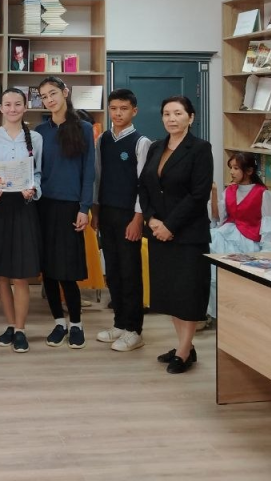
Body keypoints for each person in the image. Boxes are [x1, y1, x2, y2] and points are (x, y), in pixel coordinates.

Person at [139, 95, 213, 374]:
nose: (172, 118)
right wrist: (151, 220)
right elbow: (144, 186)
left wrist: (170, 226)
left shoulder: (200, 149)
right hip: (158, 232)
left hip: (187, 235)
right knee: (170, 293)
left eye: (178, 113)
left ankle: (183, 351)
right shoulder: (156, 147)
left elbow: (199, 195)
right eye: (167, 113)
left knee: (187, 294)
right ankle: (185, 345)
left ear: (190, 117)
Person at [34, 76, 96, 350]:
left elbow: (89, 172)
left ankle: (76, 324)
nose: (49, 100)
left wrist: (84, 207)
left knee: (67, 270)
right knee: (48, 268)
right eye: (44, 96)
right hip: (43, 205)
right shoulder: (39, 131)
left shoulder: (84, 128)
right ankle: (59, 322)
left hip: (71, 207)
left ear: (65, 92)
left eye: (53, 93)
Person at [93, 89, 151, 353]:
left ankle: (134, 330)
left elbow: (143, 185)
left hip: (129, 216)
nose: (118, 113)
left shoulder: (141, 142)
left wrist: (138, 218)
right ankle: (119, 323)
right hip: (107, 213)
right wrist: (96, 211)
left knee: (130, 272)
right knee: (113, 271)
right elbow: (98, 177)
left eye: (124, 108)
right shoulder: (103, 139)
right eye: (114, 108)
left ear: (134, 111)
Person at [0, 87, 43, 354]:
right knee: (1, 274)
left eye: (17, 104)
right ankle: (9, 325)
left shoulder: (36, 138)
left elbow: (38, 173)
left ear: (25, 107)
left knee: (20, 275)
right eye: (7, 104)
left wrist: (33, 189)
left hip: (24, 207)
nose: (12, 109)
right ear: (1, 108)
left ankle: (21, 329)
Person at [206, 152, 271, 319]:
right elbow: (217, 217)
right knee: (212, 271)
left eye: (236, 168)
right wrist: (214, 193)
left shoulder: (263, 193)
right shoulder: (229, 190)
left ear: (249, 170)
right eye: (230, 168)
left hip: (249, 241)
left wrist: (267, 253)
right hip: (225, 234)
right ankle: (215, 312)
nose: (231, 172)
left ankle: (239, 313)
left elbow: (269, 225)